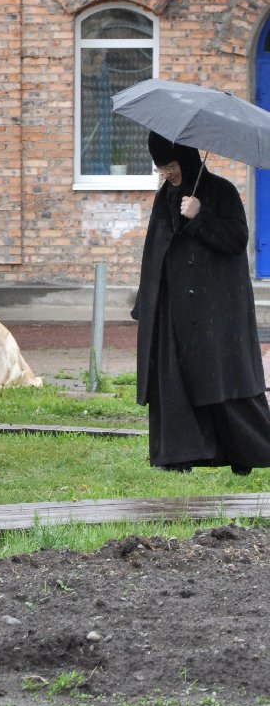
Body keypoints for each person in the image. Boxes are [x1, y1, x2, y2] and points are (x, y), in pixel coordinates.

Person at [133, 129, 270, 475]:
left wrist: (200, 217)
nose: (167, 174)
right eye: (161, 168)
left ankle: (245, 454)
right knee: (174, 381)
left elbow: (237, 240)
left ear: (187, 158)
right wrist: (148, 301)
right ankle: (177, 457)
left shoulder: (222, 191)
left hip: (215, 308)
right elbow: (155, 252)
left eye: (171, 166)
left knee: (224, 381)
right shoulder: (165, 196)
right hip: (175, 308)